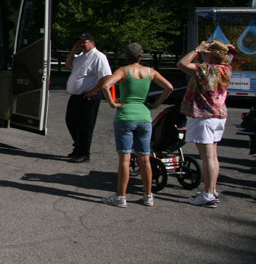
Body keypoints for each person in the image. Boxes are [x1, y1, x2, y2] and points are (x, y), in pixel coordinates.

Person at [88, 43, 173, 207]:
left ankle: (121, 196)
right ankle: (148, 195)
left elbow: (106, 85)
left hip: (125, 116)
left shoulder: (123, 71)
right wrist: (156, 104)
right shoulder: (150, 72)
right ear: (141, 56)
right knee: (145, 159)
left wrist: (112, 103)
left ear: (126, 56)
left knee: (124, 160)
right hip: (144, 117)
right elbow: (169, 87)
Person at [178, 39, 235, 208]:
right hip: (218, 114)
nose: (204, 53)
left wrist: (197, 49)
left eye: (207, 51)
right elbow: (228, 56)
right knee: (213, 156)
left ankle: (208, 194)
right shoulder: (226, 69)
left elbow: (182, 64)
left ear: (212, 54)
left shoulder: (206, 69)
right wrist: (225, 49)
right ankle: (211, 189)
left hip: (204, 116)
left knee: (207, 156)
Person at [65, 33, 112, 163]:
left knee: (86, 125)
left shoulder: (98, 57)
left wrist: (93, 91)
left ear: (91, 42)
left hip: (88, 96)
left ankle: (84, 153)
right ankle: (78, 147)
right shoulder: (81, 56)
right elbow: (68, 64)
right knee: (71, 121)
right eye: (79, 42)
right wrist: (74, 49)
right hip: (76, 96)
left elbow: (106, 77)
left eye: (83, 42)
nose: (81, 45)